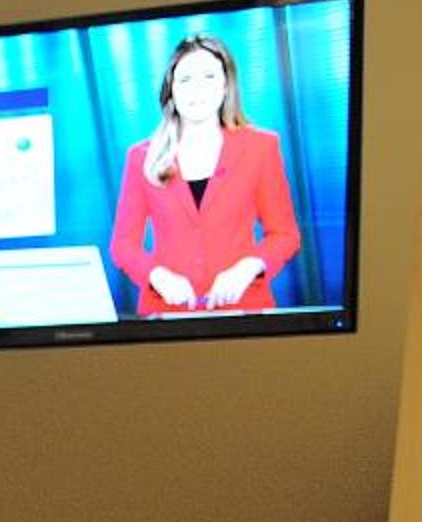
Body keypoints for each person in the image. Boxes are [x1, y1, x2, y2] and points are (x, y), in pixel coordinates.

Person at [106, 35, 300, 316]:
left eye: (208, 77)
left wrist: (248, 267)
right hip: (167, 314)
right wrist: (157, 275)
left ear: (225, 86)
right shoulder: (141, 157)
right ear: (171, 91)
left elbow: (285, 234)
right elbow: (123, 245)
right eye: (185, 79)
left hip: (243, 311)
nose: (196, 89)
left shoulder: (261, 147)